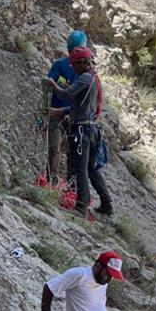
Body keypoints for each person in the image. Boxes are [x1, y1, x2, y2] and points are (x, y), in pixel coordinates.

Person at [44, 44, 113, 218]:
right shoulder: (91, 78)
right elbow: (80, 105)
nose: (73, 68)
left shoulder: (84, 79)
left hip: (81, 130)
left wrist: (52, 84)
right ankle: (106, 204)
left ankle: (82, 206)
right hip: (89, 128)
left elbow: (65, 95)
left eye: (74, 65)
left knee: (80, 168)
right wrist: (58, 112)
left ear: (82, 63)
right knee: (90, 169)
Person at [43, 29, 85, 183]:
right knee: (55, 148)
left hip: (72, 115)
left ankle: (68, 183)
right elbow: (47, 84)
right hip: (59, 114)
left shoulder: (85, 73)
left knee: (68, 152)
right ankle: (52, 179)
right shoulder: (60, 65)